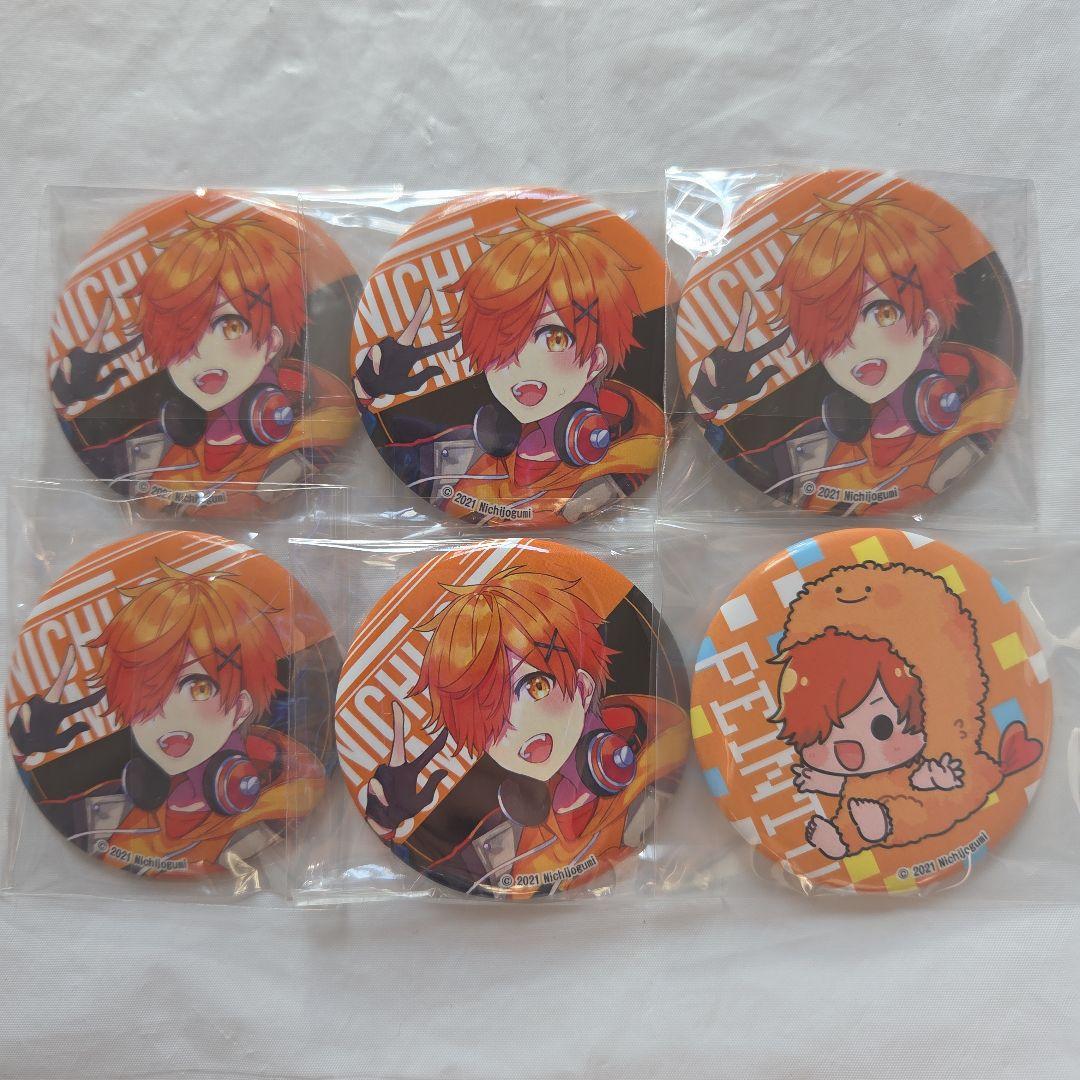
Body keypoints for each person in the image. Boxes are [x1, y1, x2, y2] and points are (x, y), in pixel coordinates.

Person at [363, 565, 686, 897]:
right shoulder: (506, 836)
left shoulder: (664, 755)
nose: (517, 726)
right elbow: (438, 872)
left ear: (583, 687)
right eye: (489, 713)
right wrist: (387, 826)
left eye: (535, 686)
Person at [691, 194, 1017, 513]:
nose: (855, 343)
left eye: (883, 313)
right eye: (831, 324)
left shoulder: (979, 422)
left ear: (928, 326)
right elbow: (735, 468)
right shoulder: (817, 448)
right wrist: (706, 403)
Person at [9, 563, 326, 876]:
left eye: (199, 688)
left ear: (241, 708)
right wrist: (25, 750)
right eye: (147, 690)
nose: (166, 713)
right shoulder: (115, 807)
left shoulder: (282, 805)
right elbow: (39, 820)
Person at [354, 213, 665, 525]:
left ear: (595, 361)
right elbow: (389, 458)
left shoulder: (629, 463)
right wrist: (367, 389)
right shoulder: (465, 456)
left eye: (554, 339)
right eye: (503, 338)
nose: (520, 362)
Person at [52, 215, 355, 510]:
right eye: (181, 331)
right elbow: (96, 459)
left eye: (230, 326)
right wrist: (69, 398)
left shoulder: (317, 433)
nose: (200, 353)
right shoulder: (153, 451)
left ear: (272, 342)